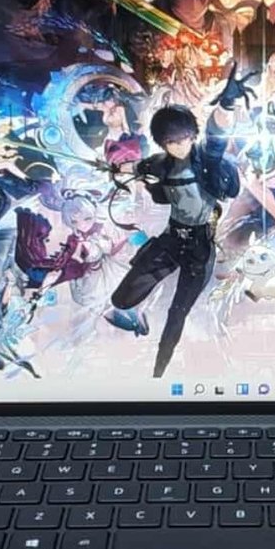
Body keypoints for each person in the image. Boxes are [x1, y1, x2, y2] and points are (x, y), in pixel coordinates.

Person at [108, 103, 242, 376]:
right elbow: (136, 166)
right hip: (171, 239)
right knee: (121, 300)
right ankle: (139, 319)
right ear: (163, 143)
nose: (180, 147)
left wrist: (226, 106)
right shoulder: (161, 163)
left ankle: (159, 371)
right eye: (172, 142)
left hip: (199, 248)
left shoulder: (207, 160)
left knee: (177, 312)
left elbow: (216, 134)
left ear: (192, 135)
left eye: (184, 139)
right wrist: (117, 169)